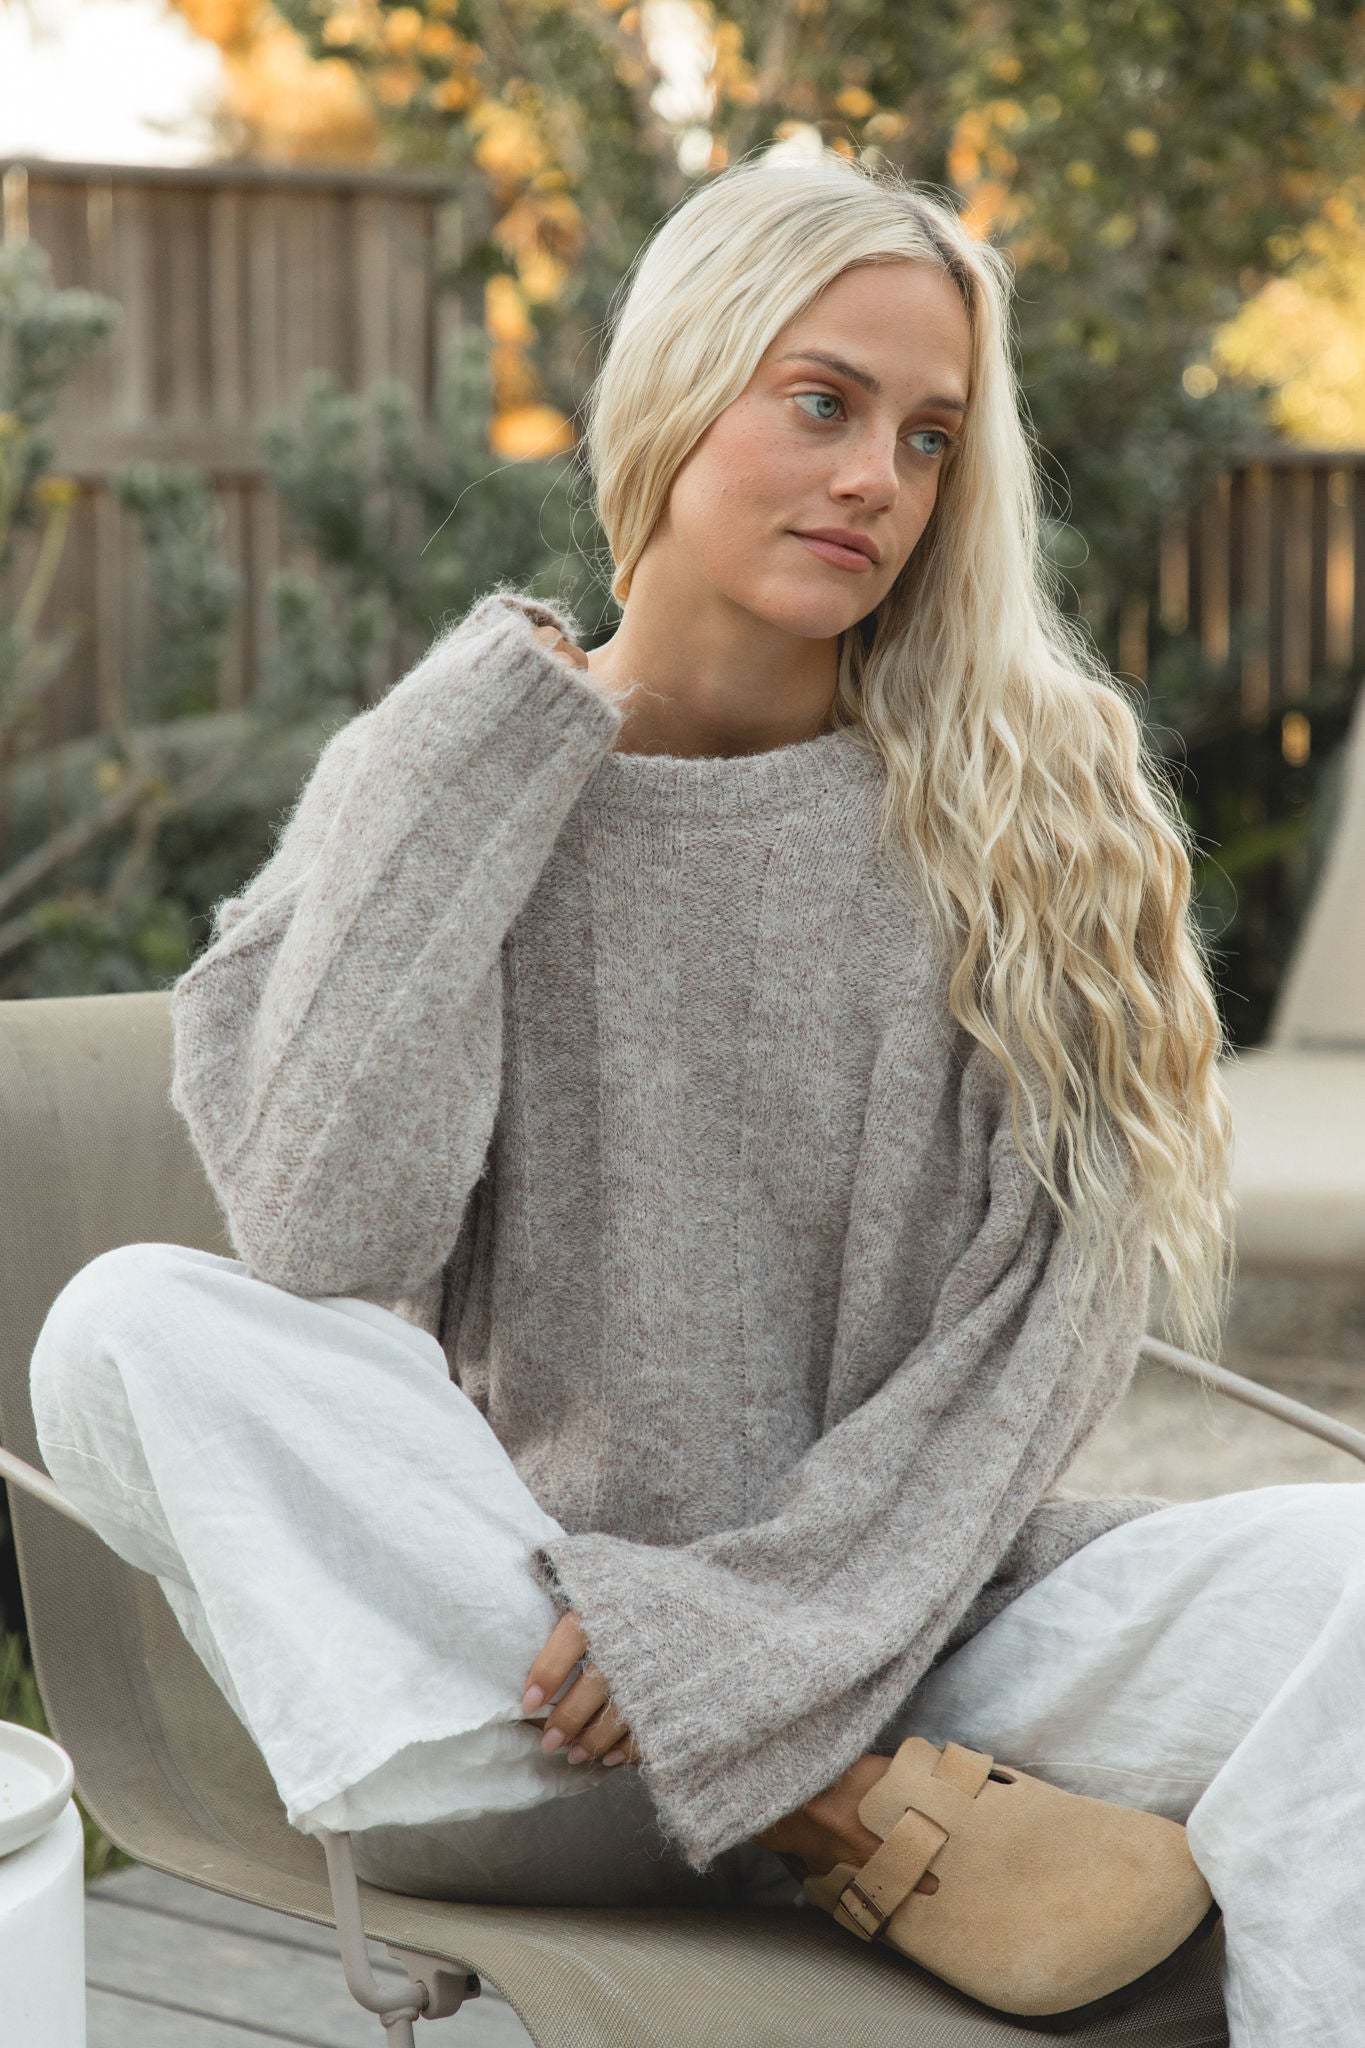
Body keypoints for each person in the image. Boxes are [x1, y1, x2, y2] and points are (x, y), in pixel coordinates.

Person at [29, 145, 1364, 2039]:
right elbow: (326, 1231)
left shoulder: (1033, 821)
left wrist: (750, 1636)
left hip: (910, 1642)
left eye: (925, 438)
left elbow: (1034, 1350)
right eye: (821, 403)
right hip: (523, 1688)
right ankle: (821, 1822)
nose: (875, 478)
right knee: (124, 1326)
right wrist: (489, 736)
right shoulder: (456, 777)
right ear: (672, 389)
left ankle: (837, 1796)